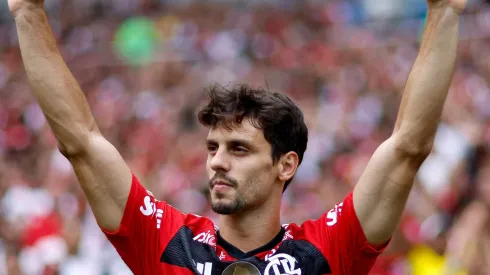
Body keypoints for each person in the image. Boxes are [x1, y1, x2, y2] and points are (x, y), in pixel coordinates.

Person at [8, 0, 467, 273]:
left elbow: (407, 146)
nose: (217, 162)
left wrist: (445, 9)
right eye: (213, 147)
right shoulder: (169, 243)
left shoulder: (324, 251)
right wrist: (26, 9)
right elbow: (82, 142)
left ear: (286, 165)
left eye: (239, 149)